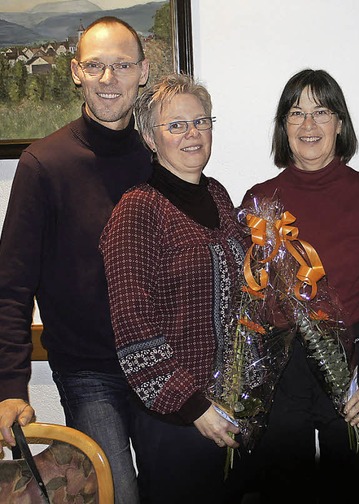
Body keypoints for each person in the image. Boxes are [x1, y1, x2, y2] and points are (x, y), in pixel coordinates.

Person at [0, 16, 151, 504]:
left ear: (143, 72)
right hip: (90, 372)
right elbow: (12, 285)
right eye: (96, 66)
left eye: (122, 65)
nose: (109, 80)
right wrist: (10, 386)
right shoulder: (44, 164)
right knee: (117, 496)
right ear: (75, 72)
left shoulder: (160, 156)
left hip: (164, 364)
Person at [242, 68, 359, 504]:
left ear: (340, 124)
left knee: (348, 488)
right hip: (282, 371)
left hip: (353, 365)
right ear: (283, 126)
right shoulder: (259, 200)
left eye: (321, 112)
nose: (308, 125)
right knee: (282, 488)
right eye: (296, 113)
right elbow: (247, 300)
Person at [99, 73, 248, 503]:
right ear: (150, 136)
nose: (193, 134)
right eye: (176, 125)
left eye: (201, 122)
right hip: (177, 419)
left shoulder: (218, 194)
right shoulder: (138, 210)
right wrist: (193, 406)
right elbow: (132, 325)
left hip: (229, 403)